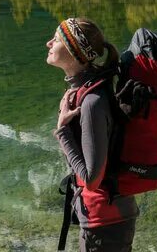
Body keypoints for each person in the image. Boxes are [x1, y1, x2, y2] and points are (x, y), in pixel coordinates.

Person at [47, 18, 138, 252]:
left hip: (105, 222)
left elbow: (91, 179)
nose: (49, 43)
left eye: (56, 39)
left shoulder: (91, 102)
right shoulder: (86, 90)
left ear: (73, 51)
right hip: (106, 217)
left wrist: (62, 131)